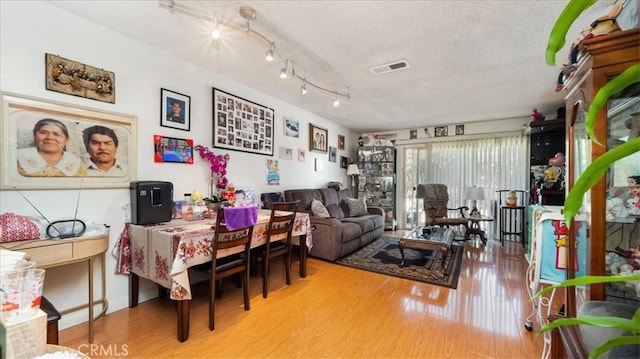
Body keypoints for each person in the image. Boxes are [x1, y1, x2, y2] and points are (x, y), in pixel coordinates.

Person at [17, 118, 87, 177]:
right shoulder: (17, 158)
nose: (50, 137)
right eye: (43, 133)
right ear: (34, 136)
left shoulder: (77, 165)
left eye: (57, 134)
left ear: (67, 140)